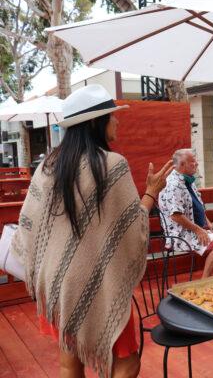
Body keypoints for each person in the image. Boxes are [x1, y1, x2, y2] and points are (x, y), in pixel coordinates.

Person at [9, 84, 173, 378]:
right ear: (97, 122)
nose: (117, 121)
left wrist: (48, 267)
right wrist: (150, 193)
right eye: (112, 116)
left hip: (60, 284)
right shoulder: (112, 165)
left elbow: (28, 224)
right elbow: (132, 227)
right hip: (103, 285)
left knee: (68, 363)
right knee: (127, 362)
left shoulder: (48, 166)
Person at [158, 148, 213, 278]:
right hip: (180, 234)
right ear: (182, 165)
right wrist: (198, 230)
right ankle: (205, 279)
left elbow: (196, 205)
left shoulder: (187, 179)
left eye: (196, 161)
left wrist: (207, 222)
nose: (196, 164)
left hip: (194, 227)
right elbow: (176, 215)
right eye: (193, 162)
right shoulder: (173, 184)